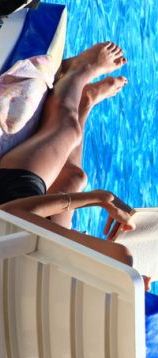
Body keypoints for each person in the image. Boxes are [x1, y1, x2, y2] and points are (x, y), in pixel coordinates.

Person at [0, 191, 158, 358]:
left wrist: (96, 198)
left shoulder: (119, 263)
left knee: (68, 177)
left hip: (10, 289)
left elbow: (8, 217)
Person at [0, 41, 128, 227]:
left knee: (69, 130)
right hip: (38, 228)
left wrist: (97, 198)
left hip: (10, 201)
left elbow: (11, 213)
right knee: (75, 177)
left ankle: (80, 69)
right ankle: (85, 102)